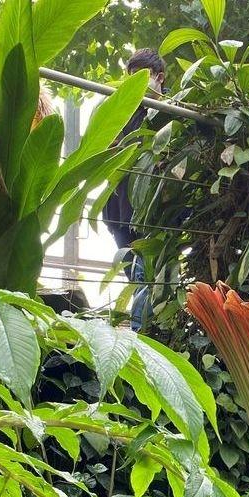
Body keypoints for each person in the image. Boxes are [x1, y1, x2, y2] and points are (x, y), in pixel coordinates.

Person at [102, 48, 166, 331]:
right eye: (129, 78)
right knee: (136, 275)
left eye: (141, 78)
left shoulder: (170, 113)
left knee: (145, 275)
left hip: (149, 213)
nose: (134, 84)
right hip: (119, 210)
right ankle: (144, 329)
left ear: (159, 78)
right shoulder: (124, 109)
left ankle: (142, 334)